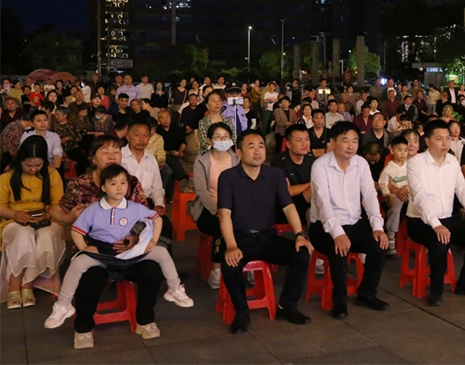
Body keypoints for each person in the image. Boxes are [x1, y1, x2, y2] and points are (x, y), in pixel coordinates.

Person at [43, 164, 193, 331]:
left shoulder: (134, 207)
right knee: (77, 263)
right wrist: (85, 247)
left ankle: (174, 289)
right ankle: (63, 305)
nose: (119, 187)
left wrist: (153, 240)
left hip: (129, 252)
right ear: (103, 187)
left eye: (123, 183)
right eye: (113, 183)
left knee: (161, 252)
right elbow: (76, 230)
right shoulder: (93, 209)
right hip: (102, 252)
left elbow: (156, 218)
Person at [218, 130, 313, 333]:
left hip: (267, 237)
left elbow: (288, 207)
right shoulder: (228, 177)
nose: (258, 151)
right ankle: (241, 312)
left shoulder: (274, 175)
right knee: (230, 266)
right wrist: (231, 245)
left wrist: (299, 235)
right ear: (239, 152)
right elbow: (224, 214)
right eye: (251, 146)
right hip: (239, 238)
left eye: (261, 146)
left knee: (302, 254)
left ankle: (287, 306)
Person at [309, 122, 390, 320]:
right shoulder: (320, 166)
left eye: (354, 141)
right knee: (339, 249)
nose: (351, 146)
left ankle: (366, 294)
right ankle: (339, 301)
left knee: (379, 246)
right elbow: (323, 202)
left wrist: (377, 227)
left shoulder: (360, 164)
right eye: (345, 140)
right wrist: (338, 233)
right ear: (332, 142)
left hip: (354, 222)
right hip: (324, 226)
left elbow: (369, 196)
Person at [406, 120, 465, 306]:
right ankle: (436, 291)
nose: (445, 143)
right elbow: (420, 197)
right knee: (439, 241)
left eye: (448, 138)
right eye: (439, 139)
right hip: (420, 222)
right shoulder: (416, 163)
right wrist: (436, 225)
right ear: (427, 141)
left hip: (448, 218)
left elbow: (462, 189)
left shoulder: (452, 161)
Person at [0, 136, 65, 309]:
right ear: (20, 160)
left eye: (38, 165)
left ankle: (27, 285)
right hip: (14, 221)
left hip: (46, 219)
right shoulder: (7, 177)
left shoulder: (52, 174)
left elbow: (58, 203)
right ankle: (15, 286)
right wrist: (15, 214)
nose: (33, 169)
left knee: (45, 235)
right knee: (24, 234)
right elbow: (1, 206)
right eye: (28, 165)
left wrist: (47, 215)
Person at [191, 122, 239, 289]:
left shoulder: (237, 159)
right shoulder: (202, 161)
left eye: (226, 137)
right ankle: (216, 270)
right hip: (209, 209)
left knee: (248, 223)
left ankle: (246, 264)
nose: (222, 140)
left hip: (234, 207)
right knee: (222, 225)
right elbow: (201, 191)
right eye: (218, 137)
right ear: (210, 141)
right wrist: (218, 211)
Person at [121, 121, 171, 239]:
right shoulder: (120, 156)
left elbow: (157, 188)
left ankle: (156, 251)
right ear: (128, 136)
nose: (142, 139)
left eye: (145, 135)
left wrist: (159, 205)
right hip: (123, 205)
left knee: (166, 226)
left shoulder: (151, 159)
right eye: (137, 135)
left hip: (146, 204)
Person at [271, 125, 315, 226]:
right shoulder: (279, 161)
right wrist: (310, 184)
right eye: (299, 140)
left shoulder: (311, 159)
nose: (304, 144)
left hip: (309, 203)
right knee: (311, 193)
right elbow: (287, 191)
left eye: (307, 139)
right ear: (288, 144)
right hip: (285, 206)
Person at [378, 136, 409, 256]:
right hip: (394, 196)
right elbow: (383, 184)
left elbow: (413, 180)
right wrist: (387, 195)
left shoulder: (409, 166)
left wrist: (407, 187)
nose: (403, 153)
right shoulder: (388, 168)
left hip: (408, 194)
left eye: (405, 150)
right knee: (395, 205)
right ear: (392, 151)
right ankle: (391, 235)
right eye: (399, 150)